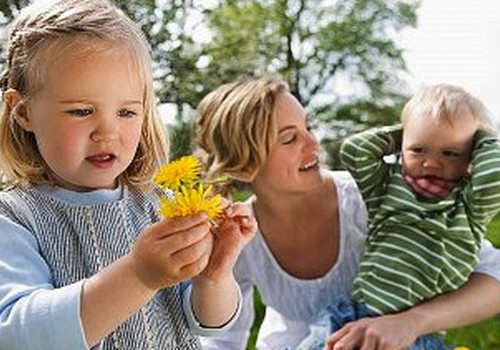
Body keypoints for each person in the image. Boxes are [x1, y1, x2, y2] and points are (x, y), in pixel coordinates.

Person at [0, 1, 255, 349]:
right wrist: (138, 275)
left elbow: (209, 324)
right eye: (81, 111)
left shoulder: (161, 206)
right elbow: (17, 335)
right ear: (24, 111)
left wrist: (213, 276)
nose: (108, 132)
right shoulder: (15, 218)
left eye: (126, 112)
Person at [194, 75, 500, 350]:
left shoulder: (375, 197)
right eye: (289, 138)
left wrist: (412, 321)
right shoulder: (239, 234)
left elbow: (494, 276)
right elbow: (222, 339)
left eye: (309, 127)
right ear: (244, 166)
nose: (314, 144)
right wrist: (214, 274)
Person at [297, 83, 500, 349]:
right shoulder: (387, 187)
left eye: (449, 153)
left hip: (418, 333)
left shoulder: (470, 204)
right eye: (419, 150)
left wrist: (482, 138)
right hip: (353, 313)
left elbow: (495, 175)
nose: (431, 162)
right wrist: (406, 133)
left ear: (472, 155)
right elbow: (354, 150)